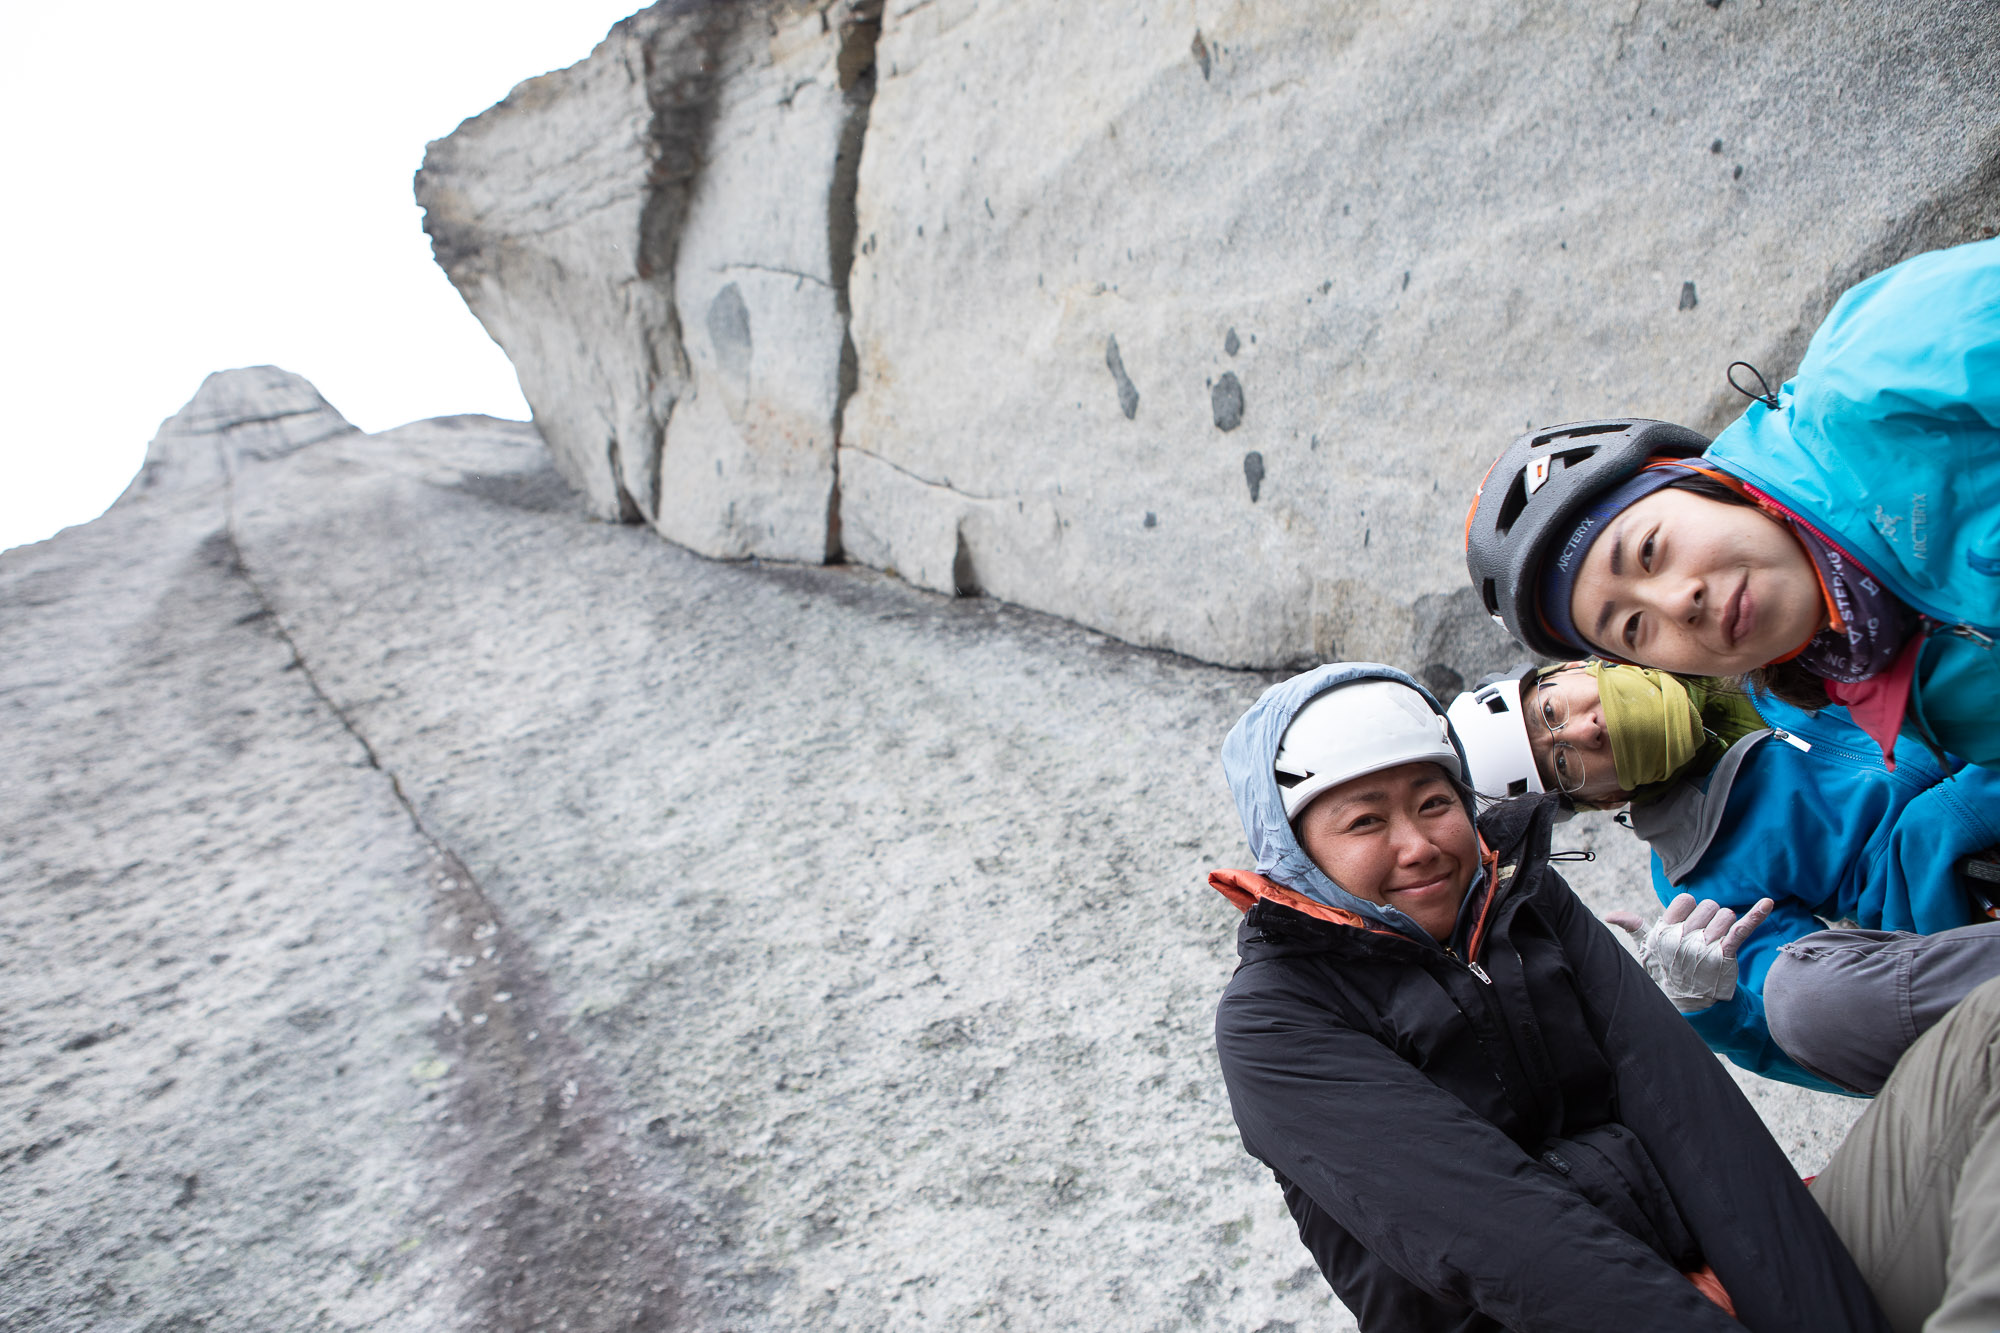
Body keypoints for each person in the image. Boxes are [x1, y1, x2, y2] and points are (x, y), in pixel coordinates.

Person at [1212, 663, 2000, 1331]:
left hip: (1737, 1274)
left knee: (1987, 1033)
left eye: (1432, 802)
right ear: (1295, 853)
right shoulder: (1276, 1019)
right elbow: (1507, 1238)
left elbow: (1700, 1127)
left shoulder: (1524, 900)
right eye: (1364, 820)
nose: (1418, 844)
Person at [1461, 236, 2000, 770]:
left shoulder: (1873, 369)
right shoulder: (1888, 696)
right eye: (1633, 628)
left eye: (1650, 550)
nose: (1678, 603)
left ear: (1699, 479)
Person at [1447, 661, 2000, 1094]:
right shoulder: (1699, 876)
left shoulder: (1743, 636)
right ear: (1598, 801)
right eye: (1563, 764)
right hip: (1971, 895)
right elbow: (1830, 1026)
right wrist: (1716, 1011)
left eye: (1551, 711)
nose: (1587, 729)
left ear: (1573, 669)